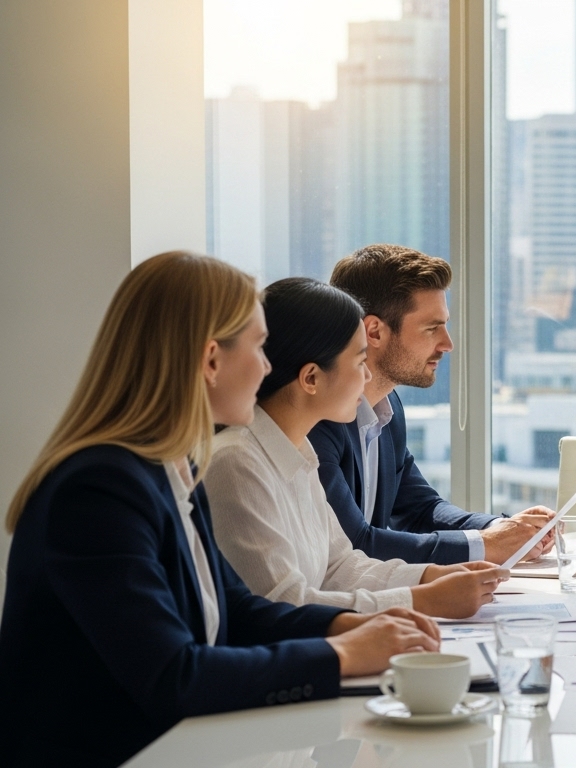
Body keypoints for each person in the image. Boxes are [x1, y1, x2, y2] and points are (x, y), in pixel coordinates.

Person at [0, 253, 440, 767]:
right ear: (211, 361)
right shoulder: (99, 489)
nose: (268, 366)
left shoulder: (167, 468)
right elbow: (174, 675)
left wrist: (346, 628)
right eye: (257, 347)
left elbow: (237, 610)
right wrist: (340, 654)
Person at [205, 278, 508, 619]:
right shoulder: (235, 462)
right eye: (359, 362)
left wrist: (427, 576)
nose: (367, 378)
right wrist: (420, 599)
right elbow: (282, 603)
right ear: (311, 379)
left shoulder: (297, 449)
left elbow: (339, 565)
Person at [309, 244, 553, 566]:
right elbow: (354, 543)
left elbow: (421, 508)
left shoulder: (387, 409)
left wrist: (502, 529)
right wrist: (485, 545)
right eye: (431, 328)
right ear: (374, 331)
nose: (447, 344)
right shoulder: (317, 420)